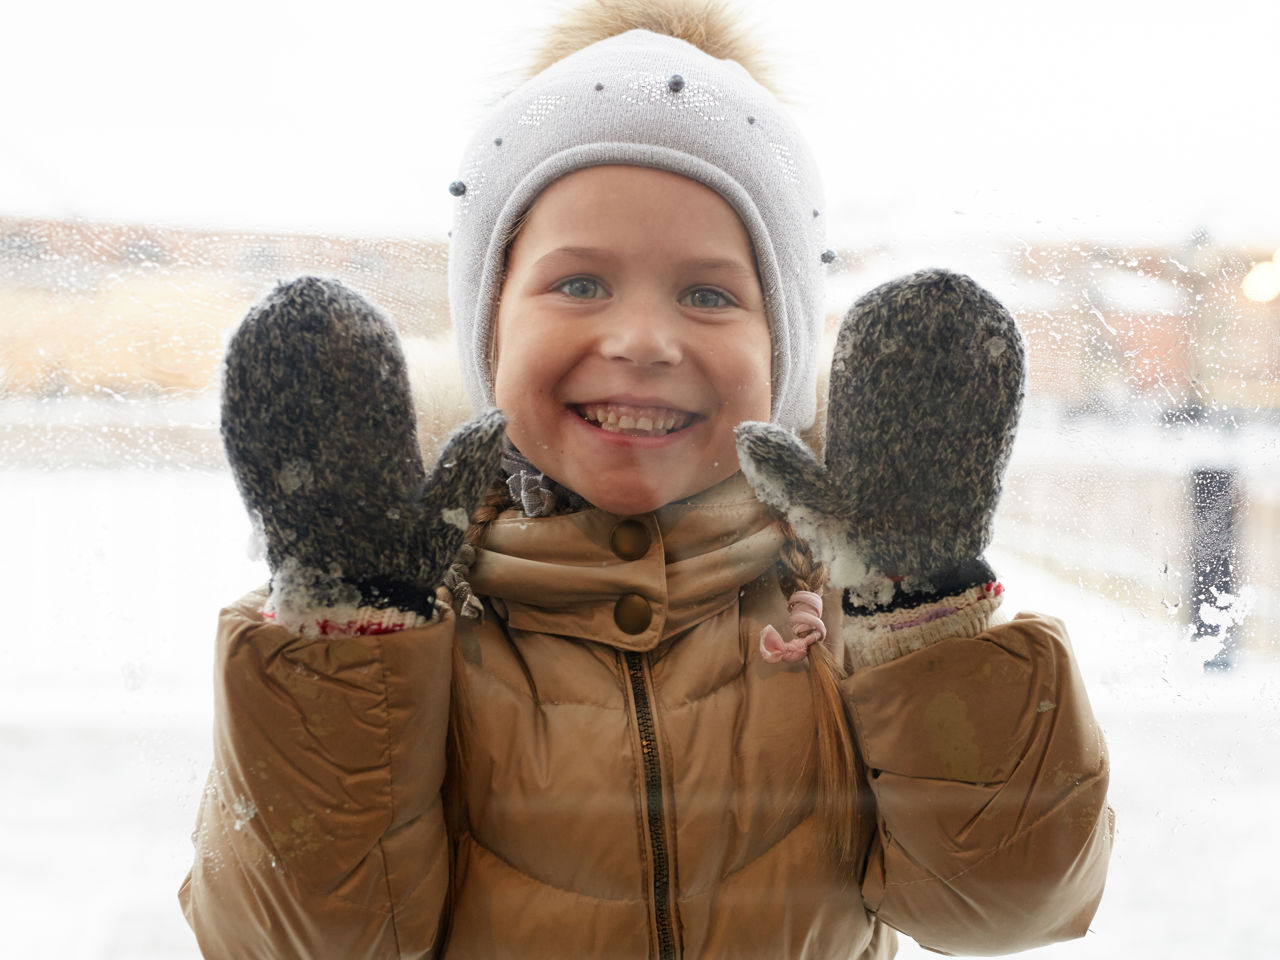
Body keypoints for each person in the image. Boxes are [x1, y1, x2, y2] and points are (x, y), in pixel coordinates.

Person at [179, 2, 1114, 957]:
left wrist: (922, 612)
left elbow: (1003, 902)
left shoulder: (850, 612)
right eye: (580, 284)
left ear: (783, 353)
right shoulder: (414, 618)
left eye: (708, 294)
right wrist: (351, 632)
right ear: (491, 330)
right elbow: (304, 940)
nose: (641, 340)